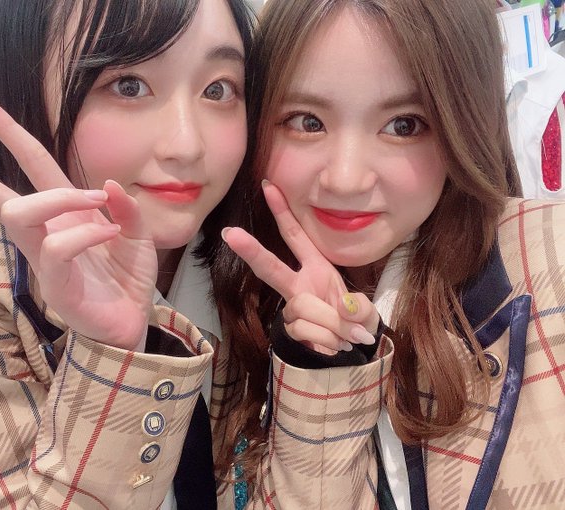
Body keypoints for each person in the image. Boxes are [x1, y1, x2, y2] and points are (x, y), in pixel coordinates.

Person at [0, 0, 255, 508]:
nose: (188, 146)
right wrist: (115, 359)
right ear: (21, 85)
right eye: (129, 85)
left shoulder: (247, 255)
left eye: (218, 89)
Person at [215, 0, 565, 508]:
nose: (346, 179)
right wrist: (321, 370)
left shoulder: (550, 261)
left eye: (404, 125)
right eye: (307, 121)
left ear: (464, 125)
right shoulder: (234, 307)